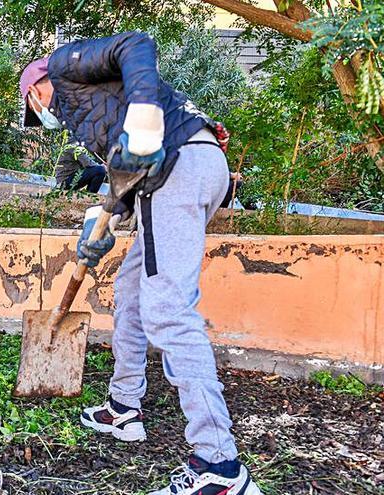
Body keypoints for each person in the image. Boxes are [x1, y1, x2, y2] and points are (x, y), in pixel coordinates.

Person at [19, 32, 261, 495]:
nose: (41, 115)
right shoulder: (91, 118)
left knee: (168, 311)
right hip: (179, 172)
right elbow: (126, 182)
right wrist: (99, 233)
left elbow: (135, 44)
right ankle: (123, 407)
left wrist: (146, 124)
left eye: (36, 107)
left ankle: (219, 467)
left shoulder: (66, 67)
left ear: (37, 87)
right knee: (132, 290)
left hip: (181, 163)